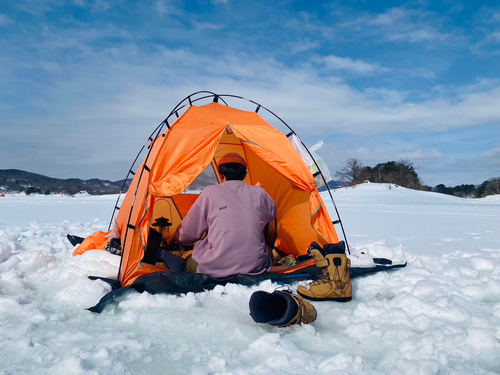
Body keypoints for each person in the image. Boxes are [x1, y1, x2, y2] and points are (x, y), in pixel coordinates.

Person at [172, 153, 276, 278]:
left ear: (221, 175)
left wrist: (175, 237)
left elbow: (187, 234)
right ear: (244, 175)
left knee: (189, 262)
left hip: (216, 268)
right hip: (255, 267)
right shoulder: (259, 193)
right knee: (267, 251)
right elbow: (272, 214)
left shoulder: (209, 193)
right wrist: (261, 191)